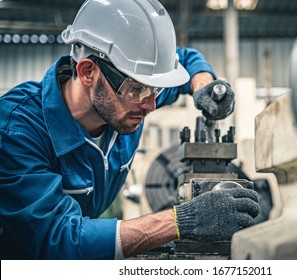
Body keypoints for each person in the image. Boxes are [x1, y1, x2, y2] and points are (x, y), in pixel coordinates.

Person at [0, 0, 261, 259]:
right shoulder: (16, 130)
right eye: (138, 89)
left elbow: (188, 60)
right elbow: (57, 239)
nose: (151, 105)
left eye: (155, 89)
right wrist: (182, 221)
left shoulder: (126, 96)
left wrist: (204, 84)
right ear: (88, 72)